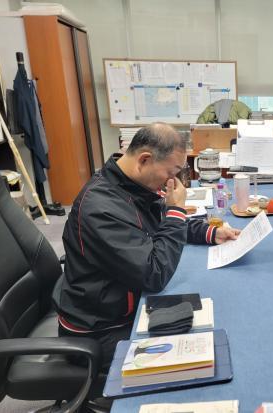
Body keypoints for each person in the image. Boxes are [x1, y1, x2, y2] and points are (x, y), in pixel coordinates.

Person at [53, 122, 240, 368]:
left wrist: (209, 232)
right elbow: (154, 274)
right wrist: (176, 210)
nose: (173, 181)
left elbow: (160, 220)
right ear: (144, 160)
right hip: (100, 330)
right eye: (171, 172)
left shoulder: (129, 184)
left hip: (118, 304)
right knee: (202, 352)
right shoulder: (100, 208)